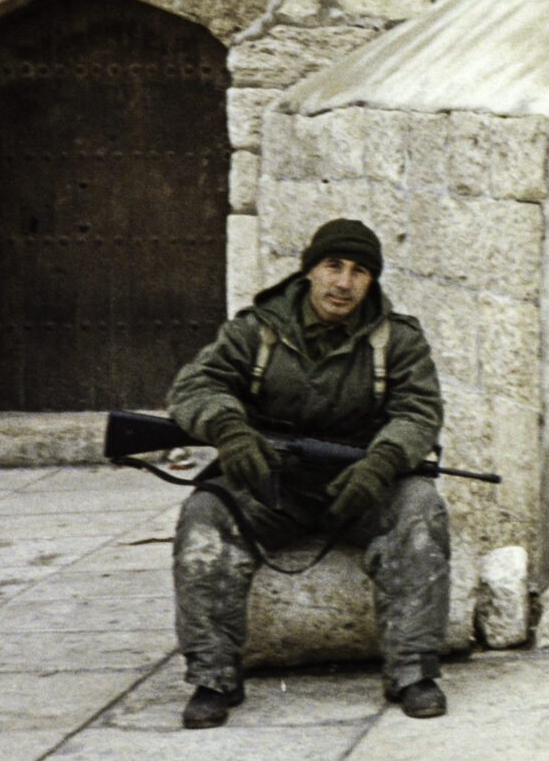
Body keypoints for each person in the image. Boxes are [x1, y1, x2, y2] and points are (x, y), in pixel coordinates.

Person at [167, 218, 450, 728]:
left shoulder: (398, 340)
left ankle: (413, 669)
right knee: (205, 513)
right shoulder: (255, 331)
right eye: (333, 266)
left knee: (421, 508)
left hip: (360, 485)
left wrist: (382, 463)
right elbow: (196, 386)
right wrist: (229, 430)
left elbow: (419, 411)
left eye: (359, 271)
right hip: (274, 486)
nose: (344, 283)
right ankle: (212, 674)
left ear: (372, 280)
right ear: (310, 270)